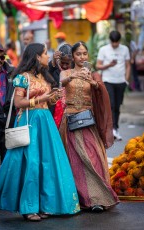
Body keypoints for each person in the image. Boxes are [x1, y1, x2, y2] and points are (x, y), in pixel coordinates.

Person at [0, 43, 80, 221]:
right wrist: (41, 98)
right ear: (37, 57)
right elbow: (18, 103)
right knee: (31, 164)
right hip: (30, 121)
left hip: (45, 120)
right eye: (46, 53)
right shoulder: (23, 77)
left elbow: (47, 98)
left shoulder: (44, 76)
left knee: (48, 163)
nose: (48, 56)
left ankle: (47, 205)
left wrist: (52, 97)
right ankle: (29, 207)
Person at [59, 41, 119, 213]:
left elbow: (102, 91)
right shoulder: (66, 73)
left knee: (93, 157)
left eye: (85, 53)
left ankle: (97, 198)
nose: (82, 57)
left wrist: (93, 83)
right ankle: (76, 199)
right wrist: (72, 77)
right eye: (78, 54)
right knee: (73, 161)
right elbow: (61, 82)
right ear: (72, 56)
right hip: (69, 121)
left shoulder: (93, 74)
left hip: (87, 122)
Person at [96, 31, 131, 141]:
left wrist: (126, 79)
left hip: (120, 81)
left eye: (116, 42)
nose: (115, 44)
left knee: (117, 106)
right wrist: (109, 65)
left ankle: (116, 128)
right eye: (113, 42)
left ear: (119, 41)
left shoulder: (124, 49)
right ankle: (111, 129)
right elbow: (98, 65)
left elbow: (128, 65)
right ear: (110, 40)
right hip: (108, 80)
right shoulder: (104, 49)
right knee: (111, 105)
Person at [0, 42, 16, 192]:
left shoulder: (12, 73)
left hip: (9, 122)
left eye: (2, 57)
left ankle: (7, 191)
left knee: (9, 158)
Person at [48, 43, 72, 124]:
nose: (64, 66)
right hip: (55, 109)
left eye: (67, 63)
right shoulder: (54, 70)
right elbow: (46, 73)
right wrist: (53, 61)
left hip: (70, 108)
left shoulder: (75, 71)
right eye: (63, 62)